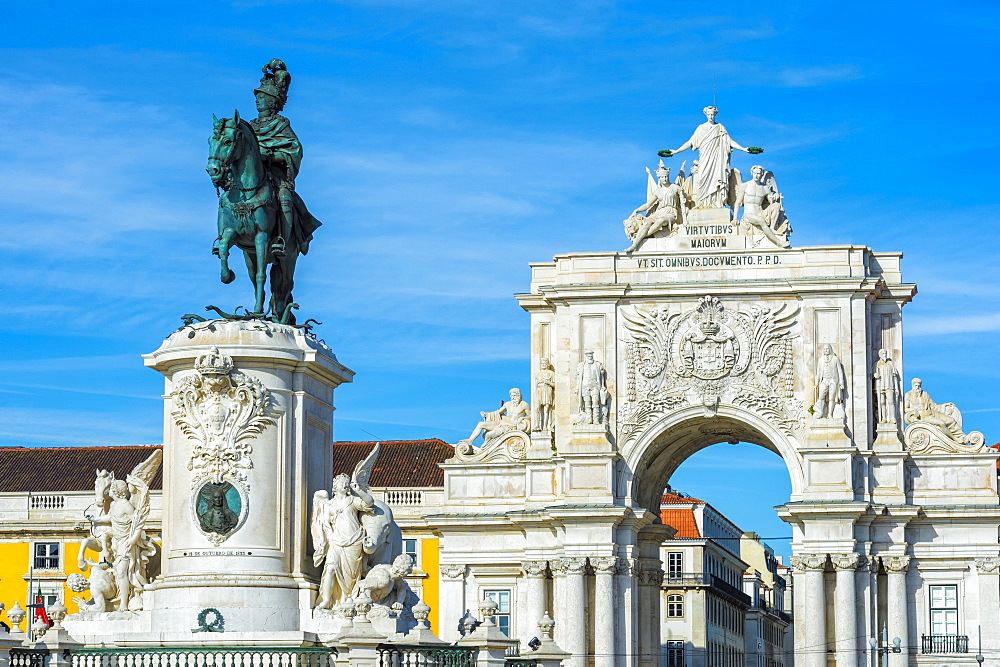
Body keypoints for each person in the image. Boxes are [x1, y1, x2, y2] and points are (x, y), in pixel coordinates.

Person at [249, 59, 321, 258]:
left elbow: (294, 150)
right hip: (252, 177)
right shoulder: (249, 127)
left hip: (275, 176)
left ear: (271, 100)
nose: (257, 100)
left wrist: (271, 155)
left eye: (261, 96)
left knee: (285, 199)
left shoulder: (281, 125)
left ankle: (282, 238)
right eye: (257, 96)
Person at [666, 106, 752, 208]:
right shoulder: (701, 128)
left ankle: (717, 204)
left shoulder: (720, 127)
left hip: (717, 160)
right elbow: (690, 142)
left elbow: (729, 141)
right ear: (706, 115)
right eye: (709, 115)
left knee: (717, 180)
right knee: (703, 180)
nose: (711, 117)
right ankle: (702, 204)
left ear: (715, 115)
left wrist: (743, 148)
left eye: (712, 115)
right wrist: (676, 151)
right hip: (705, 159)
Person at [312, 475, 376, 610]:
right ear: (335, 487)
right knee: (330, 569)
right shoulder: (328, 504)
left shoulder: (352, 500)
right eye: (342, 483)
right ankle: (326, 600)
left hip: (353, 540)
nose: (345, 485)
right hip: (335, 541)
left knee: (350, 576)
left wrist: (359, 490)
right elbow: (324, 524)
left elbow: (369, 503)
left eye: (346, 483)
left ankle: (347, 598)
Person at [623, 161, 686, 252]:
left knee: (661, 221)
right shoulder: (657, 191)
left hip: (670, 212)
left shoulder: (675, 187)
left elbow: (685, 196)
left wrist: (685, 195)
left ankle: (643, 236)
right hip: (659, 212)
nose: (664, 179)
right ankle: (635, 245)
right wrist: (636, 210)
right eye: (662, 177)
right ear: (659, 178)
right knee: (647, 222)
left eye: (666, 176)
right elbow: (648, 204)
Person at [732, 165, 790, 248]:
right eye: (755, 173)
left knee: (776, 206)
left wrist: (775, 196)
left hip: (760, 212)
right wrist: (735, 218)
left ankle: (772, 228)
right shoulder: (745, 186)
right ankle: (778, 242)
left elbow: (771, 202)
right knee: (761, 221)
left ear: (762, 174)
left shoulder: (765, 188)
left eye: (758, 174)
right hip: (749, 214)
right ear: (751, 173)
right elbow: (737, 203)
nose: (756, 175)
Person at [461, 388, 531, 445]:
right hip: (503, 423)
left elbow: (531, 416)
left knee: (489, 435)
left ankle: (486, 447)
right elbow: (497, 413)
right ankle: (470, 440)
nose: (513, 398)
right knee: (480, 424)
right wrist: (487, 414)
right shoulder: (507, 404)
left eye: (515, 395)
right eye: (511, 396)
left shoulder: (524, 405)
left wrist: (523, 418)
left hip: (512, 426)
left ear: (519, 395)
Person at [814, 344, 846, 419]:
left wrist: (841, 382)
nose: (826, 350)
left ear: (830, 349)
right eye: (824, 349)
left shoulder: (835, 359)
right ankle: (821, 412)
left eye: (827, 349)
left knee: (832, 398)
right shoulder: (821, 360)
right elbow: (818, 373)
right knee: (821, 397)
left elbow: (839, 371)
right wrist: (816, 383)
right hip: (824, 380)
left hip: (833, 381)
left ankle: (830, 414)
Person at [577, 351, 608, 424]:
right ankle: (589, 418)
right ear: (586, 357)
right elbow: (579, 378)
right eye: (588, 356)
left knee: (595, 402)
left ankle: (596, 418)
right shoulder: (581, 365)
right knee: (587, 403)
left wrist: (603, 385)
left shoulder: (597, 364)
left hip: (595, 386)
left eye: (591, 356)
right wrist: (577, 388)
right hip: (585, 386)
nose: (589, 357)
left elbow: (602, 377)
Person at [874, 349, 900, 425]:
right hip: (880, 385)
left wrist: (897, 388)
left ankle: (892, 418)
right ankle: (884, 418)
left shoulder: (890, 363)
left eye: (885, 353)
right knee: (882, 402)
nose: (884, 354)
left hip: (890, 385)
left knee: (891, 401)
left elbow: (894, 376)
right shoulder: (877, 364)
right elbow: (874, 374)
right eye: (882, 353)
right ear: (879, 355)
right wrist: (875, 375)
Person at [534, 357, 555, 432]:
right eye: (542, 363)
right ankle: (537, 424)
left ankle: (545, 426)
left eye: (545, 363)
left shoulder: (551, 373)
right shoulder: (537, 374)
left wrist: (548, 382)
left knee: (546, 409)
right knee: (537, 408)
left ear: (548, 365)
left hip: (547, 390)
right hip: (539, 391)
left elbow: (554, 384)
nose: (543, 365)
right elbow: (535, 385)